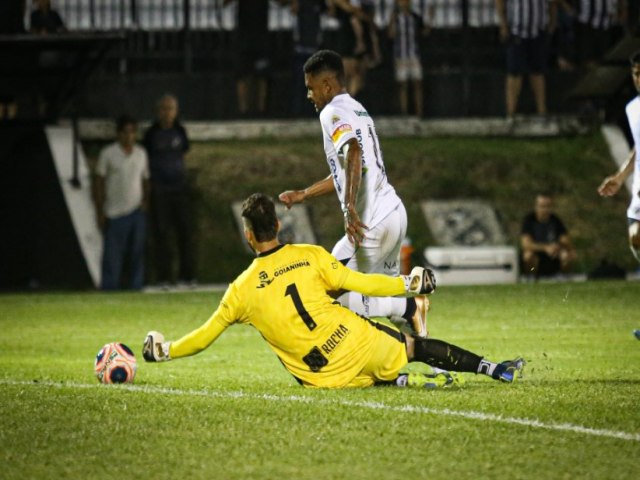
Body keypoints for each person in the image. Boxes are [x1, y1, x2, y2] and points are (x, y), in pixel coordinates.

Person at [143, 193, 525, 389]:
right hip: (357, 342)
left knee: (362, 372)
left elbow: (204, 337)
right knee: (413, 348)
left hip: (322, 376)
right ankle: (492, 369)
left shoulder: (240, 289)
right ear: (278, 224)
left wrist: (165, 351)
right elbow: (362, 283)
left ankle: (398, 380)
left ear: (247, 235)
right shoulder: (309, 255)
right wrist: (406, 284)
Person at [278, 49, 429, 339]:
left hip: (369, 222)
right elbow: (348, 169)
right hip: (394, 214)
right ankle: (433, 366)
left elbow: (354, 153)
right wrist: (304, 194)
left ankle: (408, 311)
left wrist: (349, 209)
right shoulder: (357, 109)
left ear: (327, 85)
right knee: (384, 292)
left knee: (328, 290)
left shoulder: (331, 112)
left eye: (311, 88)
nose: (309, 95)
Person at [143, 94, 196, 287]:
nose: (167, 113)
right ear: (158, 111)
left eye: (171, 108)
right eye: (163, 109)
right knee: (161, 234)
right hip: (159, 190)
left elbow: (184, 154)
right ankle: (163, 277)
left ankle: (187, 276)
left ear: (176, 111)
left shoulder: (180, 131)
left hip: (179, 188)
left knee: (184, 232)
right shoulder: (151, 134)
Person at [93, 115, 150, 290]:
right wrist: (100, 209)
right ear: (118, 134)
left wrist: (145, 201)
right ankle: (109, 288)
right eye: (125, 132)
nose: (129, 136)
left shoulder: (141, 153)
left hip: (136, 211)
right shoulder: (108, 153)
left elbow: (146, 179)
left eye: (132, 132)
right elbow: (99, 181)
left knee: (137, 252)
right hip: (114, 212)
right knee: (112, 255)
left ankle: (135, 287)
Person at [598, 51, 640, 267]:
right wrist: (620, 176)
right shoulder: (632, 108)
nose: (638, 78)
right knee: (636, 239)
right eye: (635, 73)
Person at [495, 0, 557, 119]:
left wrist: (552, 23)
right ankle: (511, 113)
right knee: (514, 73)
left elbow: (552, 2)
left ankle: (542, 111)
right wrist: (503, 25)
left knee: (538, 72)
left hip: (538, 30)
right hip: (516, 30)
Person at [224, 0, 271, 117]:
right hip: (244, 36)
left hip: (260, 36)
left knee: (262, 76)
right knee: (242, 74)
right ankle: (243, 110)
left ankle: (261, 110)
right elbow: (225, 3)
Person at [387, 0, 432, 117]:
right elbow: (390, 35)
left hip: (414, 54)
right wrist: (392, 19)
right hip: (400, 56)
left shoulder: (415, 17)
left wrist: (430, 20)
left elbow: (424, 33)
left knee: (417, 83)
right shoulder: (396, 18)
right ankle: (404, 113)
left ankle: (419, 113)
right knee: (403, 85)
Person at [520, 193, 577, 278]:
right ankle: (531, 277)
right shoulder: (529, 221)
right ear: (536, 206)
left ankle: (565, 279)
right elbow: (526, 244)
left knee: (566, 255)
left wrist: (559, 247)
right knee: (528, 256)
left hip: (554, 255)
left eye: (548, 206)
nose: (545, 210)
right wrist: (545, 248)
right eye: (542, 206)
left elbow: (565, 239)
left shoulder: (555, 220)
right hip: (536, 256)